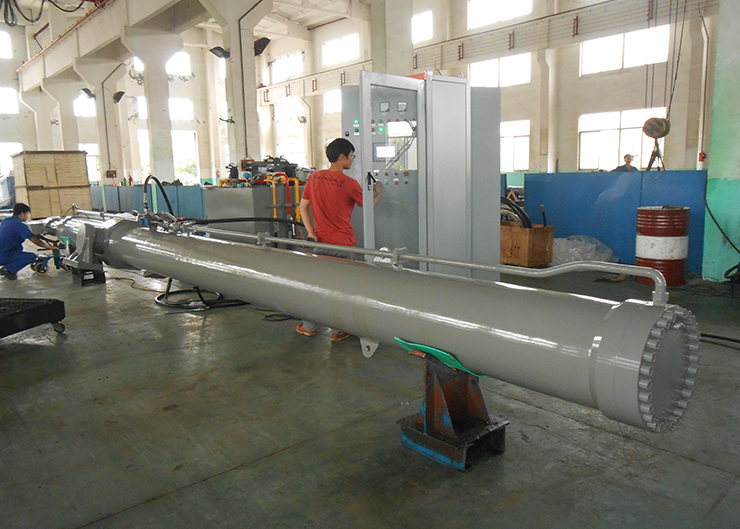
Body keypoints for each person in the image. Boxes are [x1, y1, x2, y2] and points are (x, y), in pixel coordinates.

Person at [296, 138, 382, 342]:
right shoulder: (349, 184)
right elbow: (369, 204)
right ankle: (339, 329)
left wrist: (311, 233)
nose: (352, 160)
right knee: (342, 289)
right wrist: (379, 192)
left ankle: (308, 326)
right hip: (344, 245)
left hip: (320, 244)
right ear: (342, 157)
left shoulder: (314, 178)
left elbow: (303, 207)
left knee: (317, 286)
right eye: (351, 156)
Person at [0, 203, 57, 280]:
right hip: (3, 256)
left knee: (18, 248)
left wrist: (39, 236)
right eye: (27, 214)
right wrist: (49, 247)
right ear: (22, 214)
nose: (27, 217)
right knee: (31, 256)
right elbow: (34, 240)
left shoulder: (6, 221)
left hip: (4, 252)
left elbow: (27, 234)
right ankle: (7, 270)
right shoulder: (20, 225)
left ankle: (9, 268)